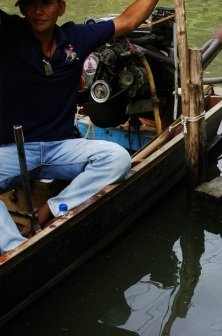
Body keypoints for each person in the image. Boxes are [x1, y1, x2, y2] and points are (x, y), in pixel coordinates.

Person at [0, 0, 160, 233]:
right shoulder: (7, 34)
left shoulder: (75, 38)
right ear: (22, 8)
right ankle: (13, 247)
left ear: (61, 8)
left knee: (117, 158)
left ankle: (52, 209)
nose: (38, 11)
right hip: (15, 149)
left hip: (62, 148)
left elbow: (128, 20)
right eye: (30, 3)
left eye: (46, 3)